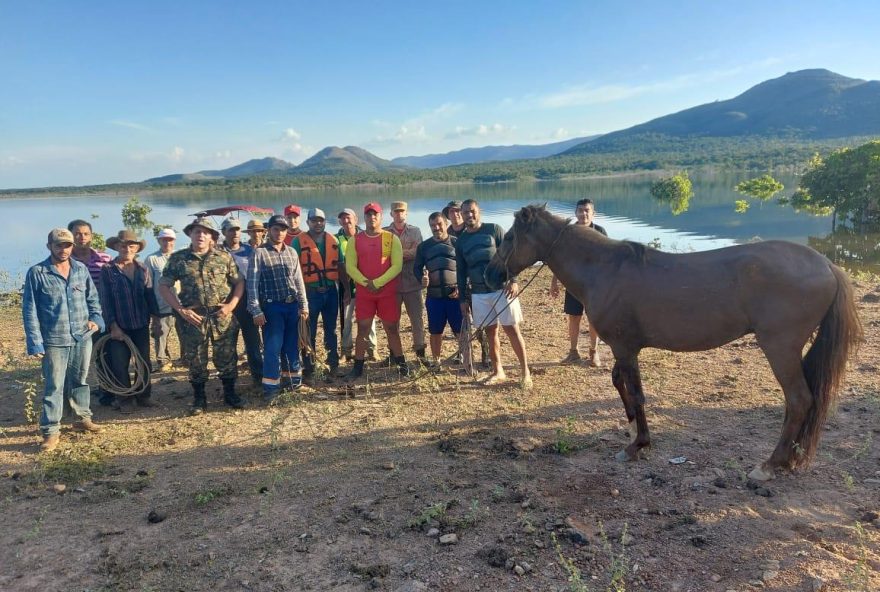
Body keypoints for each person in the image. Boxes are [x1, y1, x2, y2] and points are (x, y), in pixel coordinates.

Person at [23, 228, 105, 452]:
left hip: (81, 335)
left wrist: (96, 319)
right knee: (55, 385)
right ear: (49, 246)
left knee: (80, 379)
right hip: (53, 339)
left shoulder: (80, 269)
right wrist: (35, 342)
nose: (64, 249)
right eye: (59, 245)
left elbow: (93, 299)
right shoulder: (37, 272)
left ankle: (82, 418)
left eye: (67, 245)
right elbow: (29, 310)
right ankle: (51, 431)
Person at [158, 217, 246, 413]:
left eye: (205, 232)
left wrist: (231, 305)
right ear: (190, 234)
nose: (201, 235)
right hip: (193, 317)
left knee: (227, 357)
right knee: (196, 359)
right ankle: (199, 398)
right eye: (197, 231)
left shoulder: (223, 257)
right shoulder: (179, 258)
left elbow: (239, 282)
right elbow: (164, 285)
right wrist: (180, 310)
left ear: (212, 237)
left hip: (220, 315)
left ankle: (230, 393)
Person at [456, 199, 532, 389]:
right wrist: (463, 299)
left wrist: (513, 280)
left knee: (512, 330)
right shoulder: (461, 241)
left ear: (478, 211)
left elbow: (511, 255)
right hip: (479, 293)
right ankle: (498, 371)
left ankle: (525, 372)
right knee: (491, 332)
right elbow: (460, 271)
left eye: (472, 211)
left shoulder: (494, 230)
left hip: (502, 289)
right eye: (465, 213)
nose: (469, 215)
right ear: (461, 214)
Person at [344, 202, 410, 379]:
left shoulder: (391, 238)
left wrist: (378, 282)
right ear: (364, 217)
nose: (372, 218)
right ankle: (358, 366)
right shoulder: (355, 240)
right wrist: (367, 283)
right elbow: (350, 267)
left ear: (381, 217)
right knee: (363, 328)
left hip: (386, 292)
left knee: (392, 328)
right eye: (368, 215)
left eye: (375, 215)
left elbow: (397, 265)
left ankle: (401, 363)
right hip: (365, 293)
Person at [247, 214, 308, 400]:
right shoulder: (259, 253)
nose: (280, 233)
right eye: (276, 229)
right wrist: (255, 310)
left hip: (292, 306)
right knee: (273, 348)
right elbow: (252, 284)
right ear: (269, 230)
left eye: (283, 229)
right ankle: (271, 389)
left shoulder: (291, 252)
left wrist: (304, 304)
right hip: (272, 308)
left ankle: (293, 384)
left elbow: (298, 280)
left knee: (292, 346)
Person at [100, 230, 159, 412]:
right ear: (117, 247)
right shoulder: (108, 270)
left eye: (131, 246)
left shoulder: (143, 269)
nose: (127, 248)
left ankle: (143, 395)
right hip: (119, 326)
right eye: (123, 245)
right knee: (120, 363)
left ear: (136, 248)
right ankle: (125, 399)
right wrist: (113, 326)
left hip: (140, 323)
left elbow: (150, 296)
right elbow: (105, 300)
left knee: (143, 362)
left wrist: (156, 319)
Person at [550, 198, 608, 367]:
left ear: (593, 213)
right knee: (574, 318)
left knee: (593, 319)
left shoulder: (600, 231)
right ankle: (573, 352)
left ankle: (593, 352)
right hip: (573, 284)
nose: (583, 213)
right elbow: (559, 260)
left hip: (594, 285)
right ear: (575, 213)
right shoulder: (568, 232)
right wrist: (555, 282)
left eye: (587, 210)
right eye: (580, 210)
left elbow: (608, 259)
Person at [293, 208, 345, 378]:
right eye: (314, 220)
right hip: (310, 293)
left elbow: (341, 266)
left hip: (330, 292)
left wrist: (346, 291)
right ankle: (309, 365)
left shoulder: (333, 240)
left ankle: (333, 363)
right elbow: (293, 270)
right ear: (307, 222)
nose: (318, 223)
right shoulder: (298, 242)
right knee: (309, 331)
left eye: (321, 220)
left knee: (331, 330)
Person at [68, 218, 114, 404]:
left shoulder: (105, 259)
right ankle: (74, 398)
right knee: (78, 360)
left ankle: (107, 392)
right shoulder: (64, 261)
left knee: (104, 355)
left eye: (86, 234)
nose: (82, 237)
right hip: (75, 319)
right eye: (77, 234)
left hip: (102, 317)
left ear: (91, 236)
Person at [413, 212, 462, 367]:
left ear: (445, 223)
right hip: (434, 296)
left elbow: (465, 267)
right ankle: (436, 361)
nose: (436, 228)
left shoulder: (456, 243)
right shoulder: (424, 247)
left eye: (439, 224)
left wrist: (462, 287)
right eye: (433, 225)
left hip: (454, 295)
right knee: (435, 331)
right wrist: (422, 278)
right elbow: (417, 268)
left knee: (460, 330)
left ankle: (464, 357)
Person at [221, 217, 263, 385]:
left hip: (247, 300)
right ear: (224, 232)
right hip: (226, 302)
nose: (235, 233)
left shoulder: (250, 250)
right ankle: (230, 380)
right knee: (227, 343)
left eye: (237, 229)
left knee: (252, 341)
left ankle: (258, 377)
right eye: (231, 229)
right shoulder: (217, 252)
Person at [383, 201, 427, 361]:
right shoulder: (384, 233)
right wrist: (407, 253)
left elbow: (418, 252)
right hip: (392, 285)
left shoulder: (415, 231)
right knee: (392, 321)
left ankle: (420, 352)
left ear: (406, 213)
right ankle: (393, 353)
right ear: (391, 214)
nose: (399, 214)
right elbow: (383, 256)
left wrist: (395, 255)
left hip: (412, 283)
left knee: (417, 320)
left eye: (402, 211)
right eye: (396, 211)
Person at [336, 208, 377, 361]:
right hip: (346, 286)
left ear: (356, 219)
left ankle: (372, 349)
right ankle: (346, 351)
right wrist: (346, 289)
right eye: (343, 219)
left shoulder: (365, 236)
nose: (346, 221)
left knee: (369, 319)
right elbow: (339, 265)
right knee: (346, 320)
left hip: (365, 285)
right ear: (339, 221)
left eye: (349, 218)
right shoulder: (336, 239)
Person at [145, 227, 177, 372]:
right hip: (161, 303)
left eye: (170, 240)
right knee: (161, 333)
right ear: (159, 240)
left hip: (181, 304)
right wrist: (152, 308)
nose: (167, 242)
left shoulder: (179, 256)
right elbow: (148, 284)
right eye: (164, 239)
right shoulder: (152, 259)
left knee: (183, 332)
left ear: (174, 241)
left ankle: (185, 358)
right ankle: (162, 360)